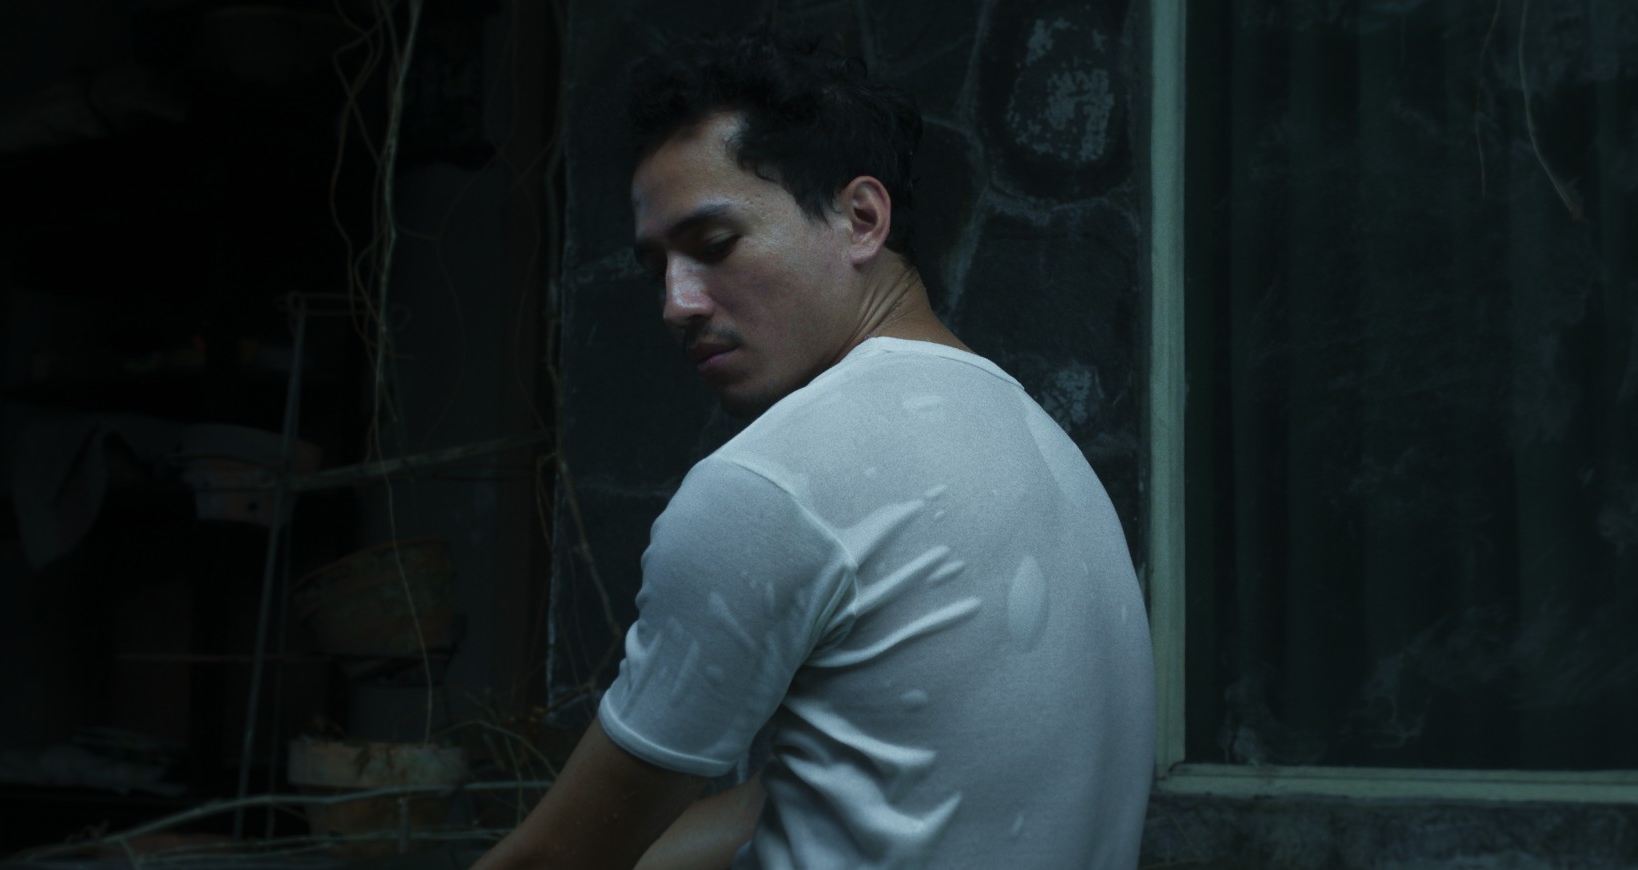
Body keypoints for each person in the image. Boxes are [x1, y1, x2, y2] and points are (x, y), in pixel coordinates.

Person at [475, 34, 1154, 869]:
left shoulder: (773, 483)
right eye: (657, 268)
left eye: (714, 244)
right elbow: (837, 787)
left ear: (860, 219)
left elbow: (557, 861)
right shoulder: (1046, 451)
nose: (676, 305)